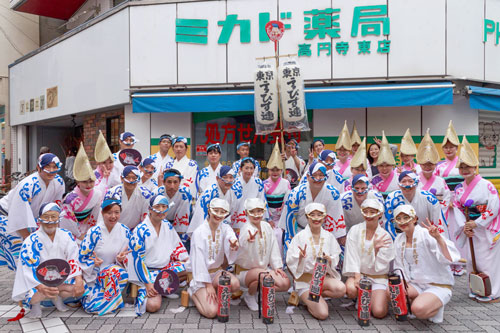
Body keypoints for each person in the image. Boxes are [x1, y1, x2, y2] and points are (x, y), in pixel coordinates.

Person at [12, 203, 85, 318]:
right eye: (46, 217)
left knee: (77, 287)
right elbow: (27, 267)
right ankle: (35, 304)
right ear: (40, 220)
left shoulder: (66, 235)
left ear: (58, 219)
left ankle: (57, 298)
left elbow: (73, 258)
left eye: (53, 217)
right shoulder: (31, 240)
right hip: (38, 282)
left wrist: (79, 278)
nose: (50, 221)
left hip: (60, 277)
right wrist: (40, 286)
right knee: (33, 295)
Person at [393, 204, 460, 323]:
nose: (402, 222)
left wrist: (439, 238)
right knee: (394, 291)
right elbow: (398, 267)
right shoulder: (399, 239)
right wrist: (402, 285)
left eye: (406, 217)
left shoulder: (426, 234)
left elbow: (448, 259)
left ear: (414, 219)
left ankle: (436, 305)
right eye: (399, 219)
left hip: (437, 284)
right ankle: (422, 300)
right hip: (415, 284)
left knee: (418, 309)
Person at [453, 136, 500, 302]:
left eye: (468, 167)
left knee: (487, 260)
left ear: (475, 167)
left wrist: (477, 222)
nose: (465, 170)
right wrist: (465, 225)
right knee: (473, 260)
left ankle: (492, 292)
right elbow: (457, 208)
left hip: (485, 227)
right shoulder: (459, 188)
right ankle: (475, 289)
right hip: (470, 227)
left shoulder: (486, 185)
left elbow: (494, 206)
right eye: (462, 167)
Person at [0, 153, 65, 270]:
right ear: (39, 167)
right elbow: (18, 216)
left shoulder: (59, 182)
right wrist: (28, 238)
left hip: (33, 220)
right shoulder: (28, 185)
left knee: (39, 253)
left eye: (54, 167)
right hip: (7, 218)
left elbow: (55, 208)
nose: (51, 170)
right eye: (47, 167)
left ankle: (35, 285)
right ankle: (28, 285)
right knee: (23, 256)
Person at [128, 195, 190, 315]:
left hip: (164, 270)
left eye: (164, 206)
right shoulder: (140, 230)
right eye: (157, 206)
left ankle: (161, 288)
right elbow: (137, 260)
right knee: (153, 306)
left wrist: (186, 259)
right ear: (150, 209)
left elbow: (176, 245)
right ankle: (155, 289)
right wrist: (147, 283)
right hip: (147, 273)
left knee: (190, 268)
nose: (161, 210)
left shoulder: (166, 225)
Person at [286, 203, 346, 320]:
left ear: (324, 218)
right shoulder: (300, 237)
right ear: (307, 217)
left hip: (322, 279)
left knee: (341, 288)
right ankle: (305, 297)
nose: (316, 218)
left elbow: (336, 256)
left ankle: (314, 298)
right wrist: (299, 257)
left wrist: (330, 259)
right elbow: (289, 260)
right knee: (322, 314)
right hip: (306, 281)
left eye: (319, 215)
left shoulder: (329, 237)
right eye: (312, 215)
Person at [235, 198, 290, 311]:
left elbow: (274, 247)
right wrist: (248, 241)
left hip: (263, 270)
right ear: (246, 213)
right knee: (263, 276)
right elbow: (242, 244)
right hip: (245, 272)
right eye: (253, 212)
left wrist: (277, 267)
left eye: (259, 211)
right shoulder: (246, 229)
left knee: (285, 283)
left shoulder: (266, 226)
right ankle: (249, 295)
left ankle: (259, 290)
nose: (256, 215)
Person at [189, 198, 240, 319]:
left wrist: (233, 244)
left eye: (222, 212)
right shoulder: (199, 232)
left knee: (235, 284)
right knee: (211, 312)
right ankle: (193, 293)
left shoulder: (225, 227)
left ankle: (212, 295)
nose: (218, 215)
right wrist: (208, 285)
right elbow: (199, 261)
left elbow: (231, 236)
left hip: (217, 272)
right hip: (200, 277)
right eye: (215, 211)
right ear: (209, 211)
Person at [79, 197, 131, 315]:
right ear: (102, 213)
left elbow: (130, 254)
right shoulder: (94, 232)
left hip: (113, 274)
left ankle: (109, 302)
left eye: (117, 212)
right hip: (94, 275)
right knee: (91, 307)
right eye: (109, 212)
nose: (113, 216)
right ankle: (112, 302)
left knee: (118, 272)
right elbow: (83, 257)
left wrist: (121, 259)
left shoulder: (125, 231)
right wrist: (93, 263)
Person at [343, 199, 394, 319]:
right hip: (360, 275)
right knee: (350, 289)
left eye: (372, 212)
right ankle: (361, 296)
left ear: (380, 214)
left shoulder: (385, 235)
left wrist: (375, 250)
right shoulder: (355, 230)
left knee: (379, 312)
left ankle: (375, 298)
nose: (369, 215)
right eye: (366, 211)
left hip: (378, 278)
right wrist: (356, 276)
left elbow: (382, 265)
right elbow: (351, 254)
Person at [281, 162, 346, 253]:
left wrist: (332, 243)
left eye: (321, 175)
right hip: (299, 232)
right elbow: (289, 222)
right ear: (308, 176)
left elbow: (334, 220)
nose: (318, 179)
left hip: (323, 234)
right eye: (314, 175)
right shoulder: (296, 193)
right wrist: (292, 245)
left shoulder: (333, 193)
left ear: (326, 177)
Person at [384, 171, 448, 240]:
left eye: (410, 181)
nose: (407, 184)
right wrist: (396, 241)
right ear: (399, 184)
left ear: (416, 183)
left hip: (426, 236)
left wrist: (439, 240)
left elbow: (438, 221)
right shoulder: (391, 199)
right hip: (400, 237)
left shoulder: (429, 198)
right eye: (403, 181)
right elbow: (388, 224)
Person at [60, 143, 104, 242]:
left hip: (88, 228)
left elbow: (95, 215)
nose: (88, 185)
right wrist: (79, 234)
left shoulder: (97, 194)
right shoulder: (69, 199)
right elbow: (67, 219)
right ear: (77, 182)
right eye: (84, 182)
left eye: (91, 181)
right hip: (72, 230)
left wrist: (90, 231)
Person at [189, 166, 236, 235]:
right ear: (217, 178)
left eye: (231, 177)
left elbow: (230, 212)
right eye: (225, 177)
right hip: (207, 227)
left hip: (222, 227)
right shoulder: (210, 192)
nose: (228, 180)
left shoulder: (232, 191)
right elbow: (201, 214)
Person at [263, 143, 291, 254]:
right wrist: (268, 219)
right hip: (268, 217)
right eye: (272, 170)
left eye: (277, 170)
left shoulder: (286, 183)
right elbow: (263, 203)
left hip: (281, 218)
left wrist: (283, 222)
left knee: (279, 235)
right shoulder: (264, 184)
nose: (275, 172)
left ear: (281, 170)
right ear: (268, 170)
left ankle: (279, 260)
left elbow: (287, 203)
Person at [155, 169, 193, 248]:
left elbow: (182, 219)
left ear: (179, 183)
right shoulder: (156, 193)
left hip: (178, 222)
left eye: (175, 182)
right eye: (169, 182)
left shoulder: (185, 194)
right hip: (159, 222)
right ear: (164, 183)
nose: (172, 186)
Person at [230, 157, 266, 235]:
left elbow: (261, 201)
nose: (249, 171)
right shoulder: (234, 183)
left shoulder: (258, 182)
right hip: (237, 218)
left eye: (251, 168)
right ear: (240, 169)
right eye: (246, 168)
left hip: (253, 217)